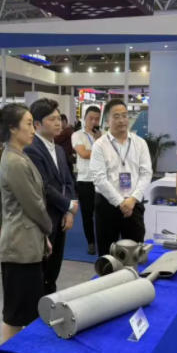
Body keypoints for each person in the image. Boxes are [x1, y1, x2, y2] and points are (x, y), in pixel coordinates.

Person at [0, 104, 53, 341]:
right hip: (19, 247)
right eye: (28, 124)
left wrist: (43, 237)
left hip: (28, 242)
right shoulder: (14, 161)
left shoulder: (20, 155)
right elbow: (33, 204)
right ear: (12, 128)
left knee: (27, 310)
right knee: (15, 314)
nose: (33, 129)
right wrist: (48, 228)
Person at [25, 99, 78, 294]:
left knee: (54, 266)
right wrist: (68, 206)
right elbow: (44, 186)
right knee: (41, 267)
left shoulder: (59, 149)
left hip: (61, 216)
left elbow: (68, 181)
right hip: (43, 217)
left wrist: (69, 211)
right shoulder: (31, 149)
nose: (58, 123)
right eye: (52, 119)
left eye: (58, 119)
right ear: (37, 124)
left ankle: (50, 300)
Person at [90, 99, 153, 256]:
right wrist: (120, 202)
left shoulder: (140, 143)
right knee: (107, 254)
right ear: (107, 121)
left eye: (125, 116)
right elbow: (99, 178)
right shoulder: (99, 145)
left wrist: (132, 199)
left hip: (133, 204)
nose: (122, 120)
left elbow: (146, 173)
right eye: (116, 116)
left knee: (135, 252)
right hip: (107, 205)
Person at [72, 105, 102, 254]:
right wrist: (98, 143)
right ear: (85, 118)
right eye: (91, 118)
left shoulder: (103, 136)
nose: (94, 122)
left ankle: (103, 240)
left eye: (97, 119)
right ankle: (91, 242)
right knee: (87, 214)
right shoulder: (77, 135)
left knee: (103, 213)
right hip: (85, 180)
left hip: (101, 180)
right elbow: (83, 154)